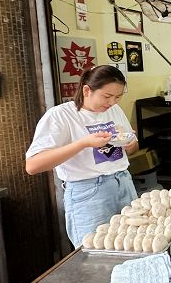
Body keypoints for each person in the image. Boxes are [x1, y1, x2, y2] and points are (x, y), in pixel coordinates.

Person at [25, 65, 139, 247]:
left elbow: (131, 148)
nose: (112, 102)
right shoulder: (61, 115)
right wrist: (83, 143)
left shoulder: (114, 110)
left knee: (133, 245)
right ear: (87, 90)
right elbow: (33, 166)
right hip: (89, 193)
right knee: (95, 253)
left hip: (123, 183)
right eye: (107, 96)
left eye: (118, 97)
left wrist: (130, 144)